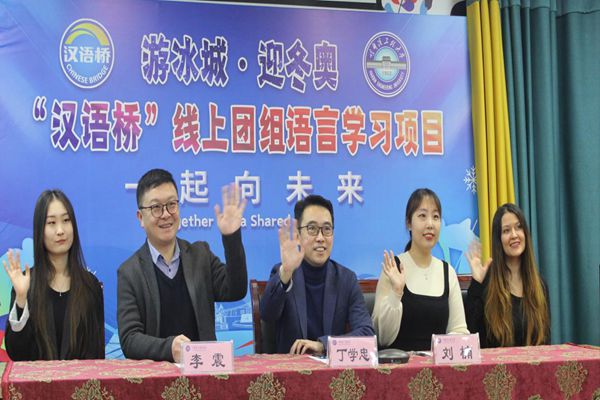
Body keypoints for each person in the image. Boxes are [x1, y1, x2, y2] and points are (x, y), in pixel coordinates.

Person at [117, 169, 248, 362]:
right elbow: (130, 339)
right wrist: (169, 348)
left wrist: (231, 237)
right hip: (155, 376)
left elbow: (235, 290)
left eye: (172, 204)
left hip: (204, 371)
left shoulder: (200, 255)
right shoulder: (130, 272)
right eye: (156, 207)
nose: (166, 214)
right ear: (140, 218)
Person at [260, 194, 374, 355]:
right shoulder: (284, 273)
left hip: (332, 368)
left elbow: (367, 334)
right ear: (298, 235)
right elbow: (267, 315)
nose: (320, 238)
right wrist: (286, 273)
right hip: (292, 367)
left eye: (327, 229)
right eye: (312, 229)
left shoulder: (346, 279)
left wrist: (323, 345)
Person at [3, 190, 104, 360]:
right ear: (40, 230)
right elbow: (16, 353)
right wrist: (21, 299)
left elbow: (97, 353)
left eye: (66, 220)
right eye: (51, 223)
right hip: (36, 378)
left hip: (81, 378)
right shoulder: (27, 283)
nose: (60, 230)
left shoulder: (90, 285)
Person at [372, 188, 468, 351]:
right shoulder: (393, 268)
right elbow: (382, 338)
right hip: (399, 365)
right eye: (422, 216)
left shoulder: (448, 272)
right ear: (409, 223)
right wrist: (396, 293)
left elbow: (459, 331)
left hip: (439, 365)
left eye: (435, 217)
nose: (430, 224)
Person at [465, 203, 550, 347]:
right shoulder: (487, 283)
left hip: (533, 362)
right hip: (494, 362)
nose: (514, 235)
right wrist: (476, 283)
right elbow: (470, 336)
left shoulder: (540, 286)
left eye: (519, 227)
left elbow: (546, 343)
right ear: (498, 239)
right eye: (506, 230)